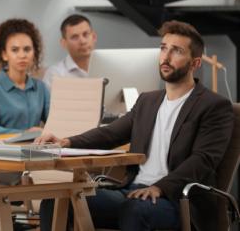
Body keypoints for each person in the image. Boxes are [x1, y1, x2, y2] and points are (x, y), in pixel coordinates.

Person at [35, 20, 233, 231]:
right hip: (132, 191)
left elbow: (203, 161)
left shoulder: (214, 106)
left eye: (176, 51)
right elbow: (110, 134)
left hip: (176, 200)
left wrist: (160, 187)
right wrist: (67, 142)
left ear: (195, 64)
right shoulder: (148, 101)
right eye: (163, 48)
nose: (166, 57)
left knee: (135, 210)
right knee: (57, 201)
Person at [0, 19, 50, 134]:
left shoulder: (41, 87)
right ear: (4, 55)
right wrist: (24, 134)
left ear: (34, 53)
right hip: (3, 149)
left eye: (27, 49)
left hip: (35, 149)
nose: (22, 55)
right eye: (15, 50)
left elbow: (54, 123)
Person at [43, 14, 96, 89]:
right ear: (64, 43)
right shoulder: (55, 75)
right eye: (74, 37)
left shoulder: (108, 68)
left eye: (85, 34)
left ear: (94, 37)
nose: (82, 41)